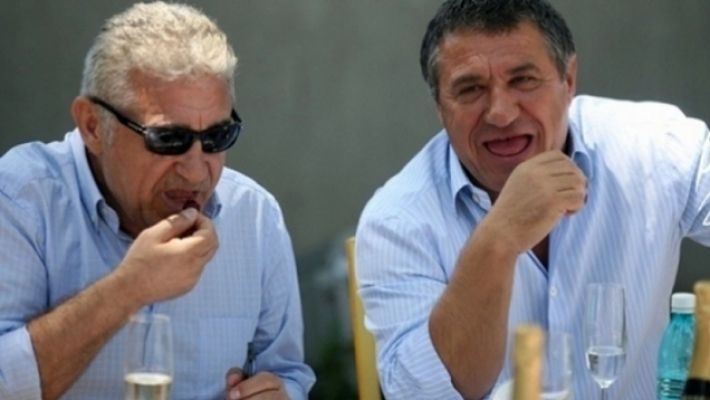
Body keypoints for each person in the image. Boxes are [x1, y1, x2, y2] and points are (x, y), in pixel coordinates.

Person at [355, 0, 710, 399]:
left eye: (523, 80)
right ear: (439, 106)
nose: (501, 113)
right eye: (470, 89)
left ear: (568, 80)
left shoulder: (654, 147)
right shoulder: (395, 222)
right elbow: (423, 394)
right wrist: (499, 237)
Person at [0, 2, 314, 399]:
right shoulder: (20, 199)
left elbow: (288, 374)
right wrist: (128, 288)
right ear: (93, 126)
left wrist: (279, 392)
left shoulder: (254, 216)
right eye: (168, 139)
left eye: (217, 137)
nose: (196, 172)